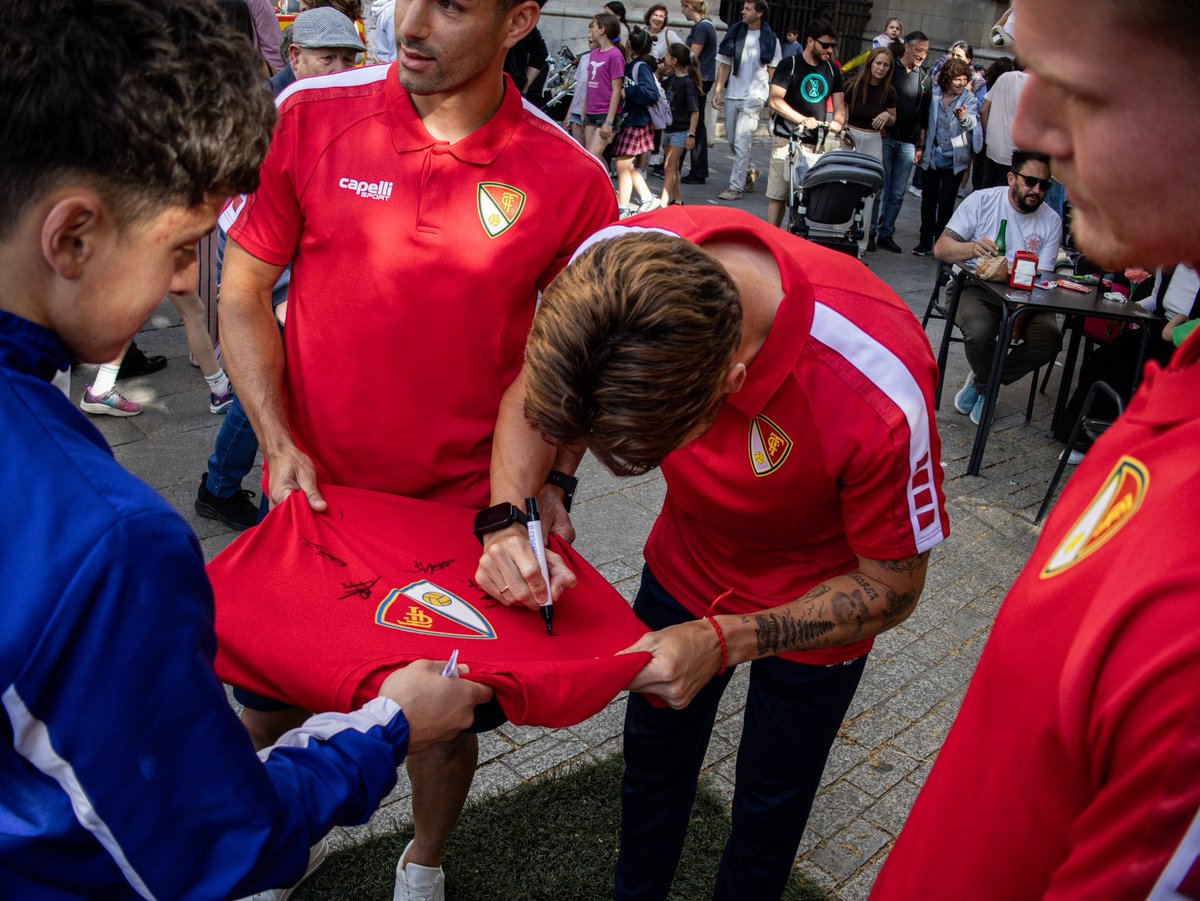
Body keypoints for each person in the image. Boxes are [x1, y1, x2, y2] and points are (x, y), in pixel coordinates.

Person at [0, 2, 491, 899]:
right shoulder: (108, 539)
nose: (189, 280)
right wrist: (387, 725)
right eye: (183, 248)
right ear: (72, 236)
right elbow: (206, 843)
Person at [216, 0, 617, 896]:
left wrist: (554, 480)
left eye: (452, 5)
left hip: (462, 517)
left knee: (444, 717)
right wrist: (276, 439)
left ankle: (423, 864)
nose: (412, 22)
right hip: (318, 500)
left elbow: (572, 364)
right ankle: (276, 845)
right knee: (270, 696)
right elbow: (242, 289)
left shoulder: (570, 177)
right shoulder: (312, 113)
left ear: (519, 21)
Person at [479, 206, 948, 900]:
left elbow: (894, 586)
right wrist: (522, 510)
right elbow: (536, 393)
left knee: (768, 810)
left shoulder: (880, 385)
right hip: (682, 567)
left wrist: (724, 639)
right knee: (652, 769)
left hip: (816, 605)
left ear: (729, 389)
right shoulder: (612, 262)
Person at [871, 0, 1200, 896]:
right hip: (981, 296)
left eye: (1082, 89)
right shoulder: (1179, 393)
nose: (1031, 133)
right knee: (986, 330)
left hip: (1038, 308)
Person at [196, 6, 366, 533]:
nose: (339, 69)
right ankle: (221, 487)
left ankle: (222, 486)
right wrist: (274, 297)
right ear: (294, 56)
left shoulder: (339, 104)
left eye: (347, 58)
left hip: (310, 273)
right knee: (266, 386)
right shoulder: (266, 114)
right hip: (269, 280)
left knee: (273, 388)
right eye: (326, 58)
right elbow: (235, 219)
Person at [936, 150, 1062, 424]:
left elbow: (1043, 278)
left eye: (1044, 185)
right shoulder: (982, 201)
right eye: (1030, 181)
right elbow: (941, 248)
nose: (1037, 190)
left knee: (1050, 339)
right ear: (1011, 178)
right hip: (974, 287)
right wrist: (971, 248)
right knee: (981, 331)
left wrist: (1021, 313)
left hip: (1025, 296)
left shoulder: (1051, 220)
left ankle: (985, 381)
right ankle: (988, 387)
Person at [764, 16, 844, 228]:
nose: (829, 50)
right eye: (825, 45)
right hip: (786, 139)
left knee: (804, 198)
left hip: (814, 143)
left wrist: (837, 121)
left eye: (833, 45)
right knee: (778, 194)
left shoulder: (832, 69)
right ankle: (772, 237)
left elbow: (839, 106)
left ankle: (794, 240)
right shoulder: (789, 64)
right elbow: (774, 100)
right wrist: (802, 119)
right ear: (810, 41)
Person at [712, 0, 780, 202]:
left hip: (755, 96)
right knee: (733, 141)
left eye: (748, 9)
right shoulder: (734, 33)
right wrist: (718, 90)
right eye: (744, 8)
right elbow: (724, 65)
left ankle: (735, 187)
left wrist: (773, 99)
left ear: (759, 13)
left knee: (742, 139)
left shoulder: (771, 39)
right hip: (733, 93)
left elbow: (773, 71)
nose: (743, 12)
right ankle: (750, 171)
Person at [912, 57, 976, 256]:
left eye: (965, 79)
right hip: (933, 155)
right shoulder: (933, 96)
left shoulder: (969, 99)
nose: (961, 83)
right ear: (948, 78)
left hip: (955, 158)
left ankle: (941, 242)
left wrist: (963, 118)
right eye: (958, 79)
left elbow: (973, 122)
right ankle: (924, 241)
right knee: (928, 200)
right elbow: (924, 122)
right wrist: (921, 147)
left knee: (947, 201)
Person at [873, 30, 929, 253]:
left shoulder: (924, 77)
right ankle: (869, 232)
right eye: (918, 50)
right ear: (907, 47)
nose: (922, 55)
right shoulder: (890, 69)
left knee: (897, 192)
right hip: (887, 137)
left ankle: (886, 232)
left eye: (925, 52)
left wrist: (921, 145)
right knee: (879, 187)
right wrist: (881, 130)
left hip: (908, 142)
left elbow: (924, 113)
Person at [844, 47, 896, 252]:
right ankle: (841, 233)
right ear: (870, 63)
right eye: (878, 63)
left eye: (885, 65)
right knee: (846, 185)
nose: (881, 68)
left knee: (869, 191)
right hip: (852, 137)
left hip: (874, 139)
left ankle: (861, 242)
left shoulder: (889, 92)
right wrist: (843, 128)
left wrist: (887, 117)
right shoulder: (854, 85)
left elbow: (893, 118)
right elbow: (839, 109)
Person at [615, 28, 663, 217]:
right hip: (633, 119)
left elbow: (652, 94)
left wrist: (630, 92)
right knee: (626, 164)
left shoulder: (640, 67)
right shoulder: (635, 65)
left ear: (629, 45)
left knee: (622, 163)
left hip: (637, 120)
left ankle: (625, 205)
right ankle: (645, 199)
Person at [679, 0, 717, 185]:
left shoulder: (702, 27)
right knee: (696, 122)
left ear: (688, 6)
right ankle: (696, 168)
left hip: (700, 78)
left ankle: (697, 169)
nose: (681, 10)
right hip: (703, 77)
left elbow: (692, 54)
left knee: (695, 123)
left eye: (682, 6)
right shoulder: (704, 26)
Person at [658, 42, 701, 207]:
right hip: (669, 127)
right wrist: (660, 74)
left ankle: (663, 201)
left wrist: (691, 133)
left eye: (668, 56)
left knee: (669, 165)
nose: (665, 58)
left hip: (680, 130)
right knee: (672, 166)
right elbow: (659, 92)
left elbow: (694, 111)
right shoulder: (671, 79)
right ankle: (677, 199)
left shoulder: (687, 83)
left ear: (674, 60)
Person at [583, 13, 625, 159]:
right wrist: (584, 110)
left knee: (592, 157)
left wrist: (609, 121)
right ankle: (606, 181)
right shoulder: (594, 53)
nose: (591, 30)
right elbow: (590, 86)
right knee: (593, 158)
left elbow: (616, 90)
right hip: (591, 112)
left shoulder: (615, 55)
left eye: (593, 27)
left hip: (605, 114)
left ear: (602, 30)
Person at [979, 64, 1028, 188]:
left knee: (988, 195)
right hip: (1015, 156)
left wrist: (987, 134)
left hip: (993, 149)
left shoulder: (1005, 77)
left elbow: (984, 109)